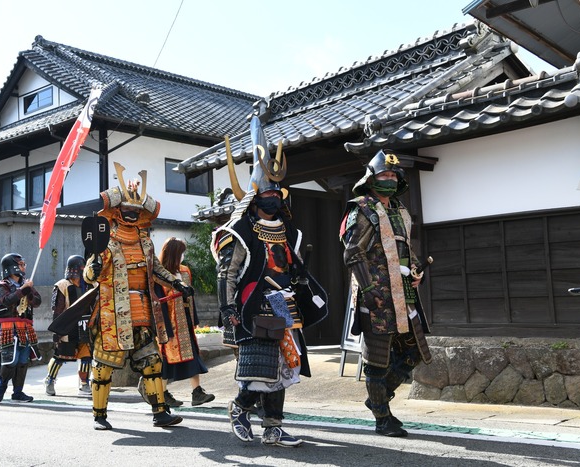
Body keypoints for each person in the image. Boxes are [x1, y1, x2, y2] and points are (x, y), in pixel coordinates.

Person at [213, 115, 329, 447]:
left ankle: (273, 426)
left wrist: (306, 290)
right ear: (254, 198)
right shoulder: (240, 231)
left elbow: (296, 268)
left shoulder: (290, 231)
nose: (273, 197)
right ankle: (239, 409)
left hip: (285, 305)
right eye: (266, 192)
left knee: (285, 366)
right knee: (260, 366)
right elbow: (227, 273)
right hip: (253, 307)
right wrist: (226, 310)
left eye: (277, 191)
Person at [83, 164, 194, 430]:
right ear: (118, 211)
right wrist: (93, 269)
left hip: (143, 311)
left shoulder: (145, 241)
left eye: (136, 211)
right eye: (127, 210)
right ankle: (99, 414)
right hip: (112, 313)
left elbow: (156, 269)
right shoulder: (106, 242)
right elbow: (89, 274)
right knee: (103, 367)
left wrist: (178, 285)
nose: (132, 214)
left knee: (152, 362)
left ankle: (160, 412)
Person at [339, 149, 432, 437]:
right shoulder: (363, 209)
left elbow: (407, 249)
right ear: (371, 178)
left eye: (393, 175)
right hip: (377, 295)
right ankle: (382, 418)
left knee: (414, 352)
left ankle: (377, 398)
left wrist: (417, 271)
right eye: (384, 175)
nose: (389, 179)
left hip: (404, 294)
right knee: (377, 361)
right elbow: (353, 252)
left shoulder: (400, 210)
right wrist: (367, 290)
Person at [155, 237, 215, 407]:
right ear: (174, 253)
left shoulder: (185, 271)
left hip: (185, 321)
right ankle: (162, 393)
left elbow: (191, 297)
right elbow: (158, 302)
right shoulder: (159, 275)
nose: (183, 256)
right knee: (166, 361)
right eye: (181, 253)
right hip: (169, 324)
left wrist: (194, 319)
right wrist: (163, 327)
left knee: (193, 356)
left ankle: (197, 392)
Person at [0, 253, 42, 403]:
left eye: (23, 264)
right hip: (9, 326)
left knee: (22, 361)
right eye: (20, 264)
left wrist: (29, 290)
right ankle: (1, 388)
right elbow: (7, 300)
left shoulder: (26, 283)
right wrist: (23, 290)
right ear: (12, 267)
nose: (23, 267)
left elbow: (37, 302)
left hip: (25, 327)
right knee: (10, 361)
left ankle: (18, 392)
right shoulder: (1, 285)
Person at [44, 255, 93, 397]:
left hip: (85, 326)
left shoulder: (90, 285)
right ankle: (50, 380)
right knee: (60, 355)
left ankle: (84, 383)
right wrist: (57, 331)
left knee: (86, 357)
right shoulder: (62, 285)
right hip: (68, 326)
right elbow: (57, 310)